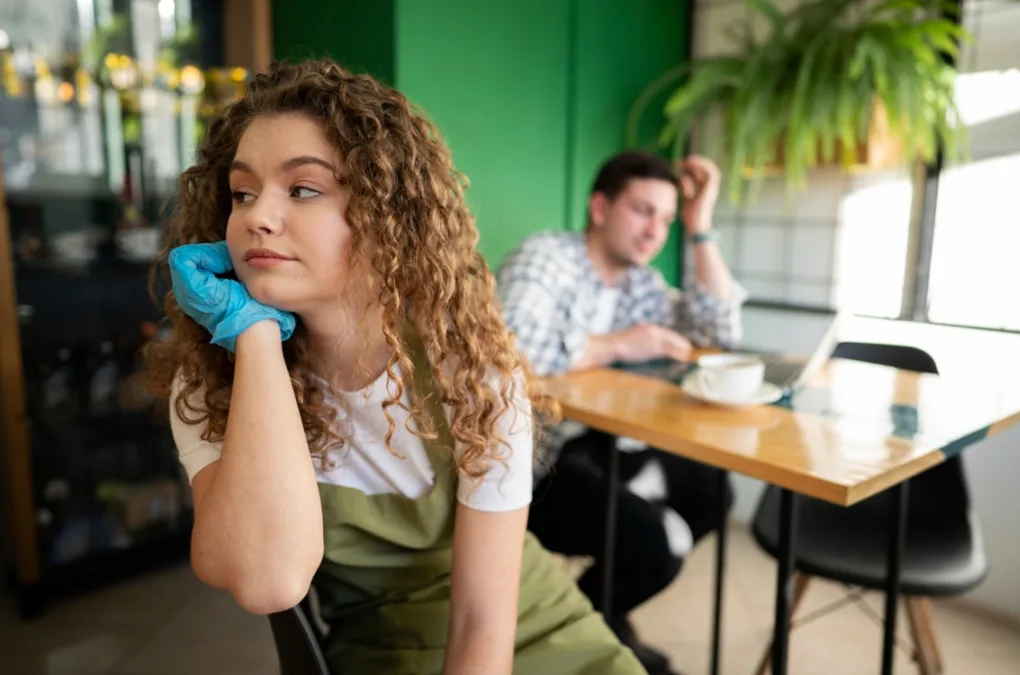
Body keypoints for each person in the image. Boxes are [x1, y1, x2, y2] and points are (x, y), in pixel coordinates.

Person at [144, 60, 648, 675]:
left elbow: (482, 619)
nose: (257, 216)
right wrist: (253, 336)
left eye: (303, 189)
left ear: (386, 215)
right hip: (384, 651)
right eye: (243, 192)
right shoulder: (210, 381)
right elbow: (266, 579)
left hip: (528, 627)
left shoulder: (470, 365)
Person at [496, 150, 747, 674]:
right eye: (642, 210)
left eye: (667, 219)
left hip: (597, 444)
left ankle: (598, 613)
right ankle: (597, 625)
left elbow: (719, 332)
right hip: (530, 461)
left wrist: (700, 230)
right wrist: (616, 345)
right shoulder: (547, 257)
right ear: (600, 207)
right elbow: (510, 346)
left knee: (712, 490)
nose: (655, 230)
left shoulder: (639, 284)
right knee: (654, 542)